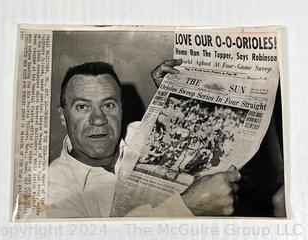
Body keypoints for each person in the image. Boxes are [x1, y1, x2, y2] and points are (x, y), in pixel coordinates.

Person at [47, 60, 240, 218]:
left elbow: (208, 130)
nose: (98, 119)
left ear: (121, 110)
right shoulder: (52, 186)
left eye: (108, 105)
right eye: (82, 107)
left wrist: (175, 92)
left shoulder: (139, 133)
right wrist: (187, 207)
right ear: (63, 116)